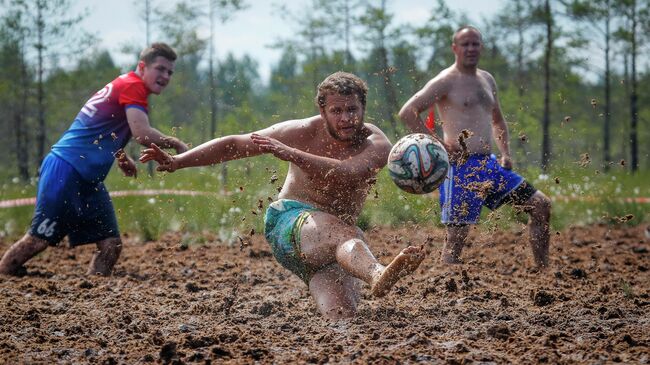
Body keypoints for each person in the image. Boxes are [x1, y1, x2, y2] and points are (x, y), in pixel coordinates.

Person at [140, 72, 425, 319]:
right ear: (322, 109)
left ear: (364, 108)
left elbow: (347, 173)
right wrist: (179, 162)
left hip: (331, 248)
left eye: (352, 110)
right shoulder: (301, 131)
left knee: (342, 318)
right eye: (337, 111)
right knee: (347, 234)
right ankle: (376, 273)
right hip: (288, 222)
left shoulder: (376, 143)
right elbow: (235, 144)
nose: (346, 119)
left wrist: (292, 155)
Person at [0, 43, 189, 277]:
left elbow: (103, 128)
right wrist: (177, 143)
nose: (165, 76)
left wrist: (122, 156)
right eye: (160, 69)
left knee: (111, 244)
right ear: (142, 66)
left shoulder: (126, 85)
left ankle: (95, 290)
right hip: (66, 169)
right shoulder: (133, 86)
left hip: (88, 178)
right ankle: (5, 273)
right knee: (38, 240)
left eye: (170, 72)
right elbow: (141, 133)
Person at [398, 26, 551, 267]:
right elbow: (408, 112)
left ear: (481, 46)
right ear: (455, 48)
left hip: (490, 165)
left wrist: (506, 153)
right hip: (460, 170)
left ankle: (544, 271)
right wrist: (438, 146)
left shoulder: (487, 78)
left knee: (541, 205)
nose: (470, 49)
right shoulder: (445, 80)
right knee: (456, 238)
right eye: (465, 44)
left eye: (475, 43)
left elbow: (497, 119)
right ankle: (444, 290)